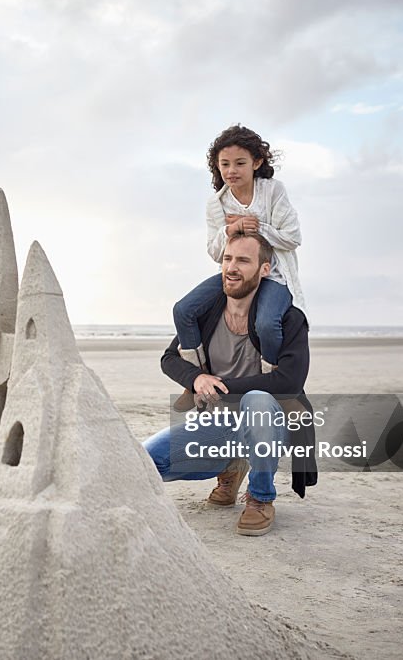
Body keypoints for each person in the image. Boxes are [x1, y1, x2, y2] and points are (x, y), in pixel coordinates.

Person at [144, 231, 317, 536]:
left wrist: (221, 386)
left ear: (265, 269)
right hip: (221, 426)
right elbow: (169, 358)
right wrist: (197, 378)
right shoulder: (206, 314)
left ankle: (261, 499)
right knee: (146, 459)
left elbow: (289, 380)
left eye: (243, 260)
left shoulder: (287, 319)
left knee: (257, 399)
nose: (231, 267)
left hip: (272, 424)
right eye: (227, 259)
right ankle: (233, 466)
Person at [172, 125, 306, 412]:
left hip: (272, 274)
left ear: (257, 163)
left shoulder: (272, 191)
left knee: (266, 324)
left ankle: (275, 390)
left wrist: (257, 228)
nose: (232, 170)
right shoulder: (216, 203)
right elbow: (214, 251)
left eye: (240, 163)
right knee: (183, 310)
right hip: (235, 271)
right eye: (225, 164)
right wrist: (231, 229)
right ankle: (195, 379)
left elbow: (293, 236)